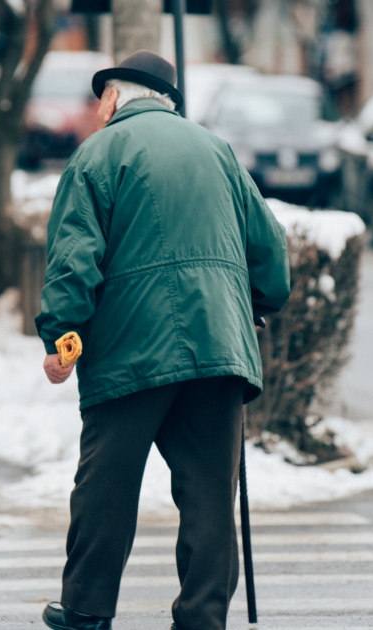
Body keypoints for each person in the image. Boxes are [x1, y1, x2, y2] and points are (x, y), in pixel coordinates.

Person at [36, 50, 291, 630]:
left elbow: (75, 258)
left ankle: (86, 610)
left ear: (113, 98)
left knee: (106, 488)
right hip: (219, 348)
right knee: (208, 498)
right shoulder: (217, 151)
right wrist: (255, 307)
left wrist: (61, 334)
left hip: (131, 349)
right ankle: (202, 618)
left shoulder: (97, 154)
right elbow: (271, 253)